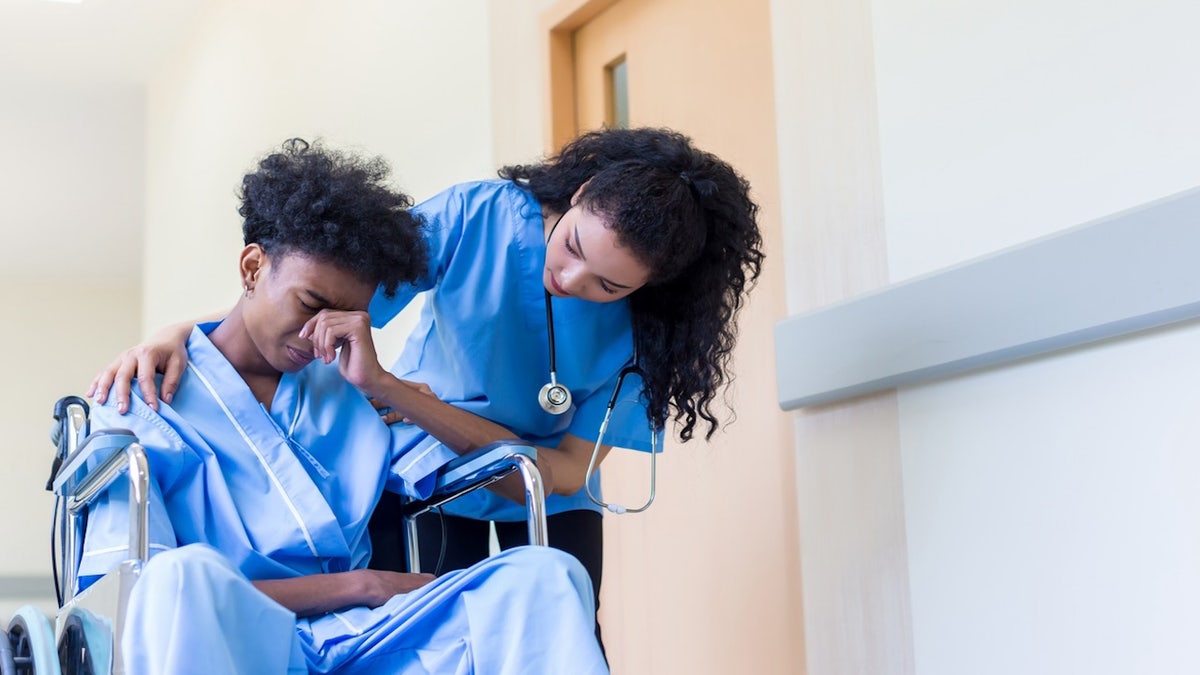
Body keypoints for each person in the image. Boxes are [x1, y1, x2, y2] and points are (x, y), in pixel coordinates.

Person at [89, 127, 766, 650]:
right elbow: (317, 279)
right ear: (580, 195)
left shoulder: (647, 335)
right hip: (430, 475)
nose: (572, 279)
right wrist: (190, 333)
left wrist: (393, 390)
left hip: (537, 491)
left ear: (645, 290)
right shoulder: (482, 218)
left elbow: (559, 473)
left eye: (609, 284)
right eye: (574, 245)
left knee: (560, 606)